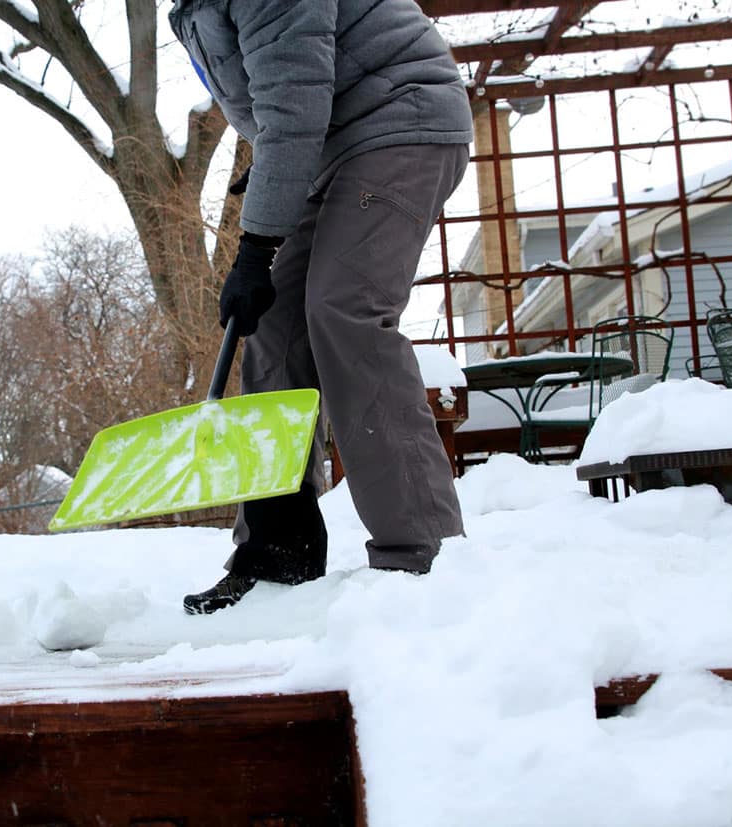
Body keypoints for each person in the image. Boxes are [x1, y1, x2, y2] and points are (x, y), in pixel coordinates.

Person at [169, 0, 474, 614]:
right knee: (274, 326)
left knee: (344, 311)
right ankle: (278, 551)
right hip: (334, 147)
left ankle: (423, 555)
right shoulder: (190, 8)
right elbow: (277, 102)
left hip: (402, 122)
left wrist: (256, 248)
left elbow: (293, 104)